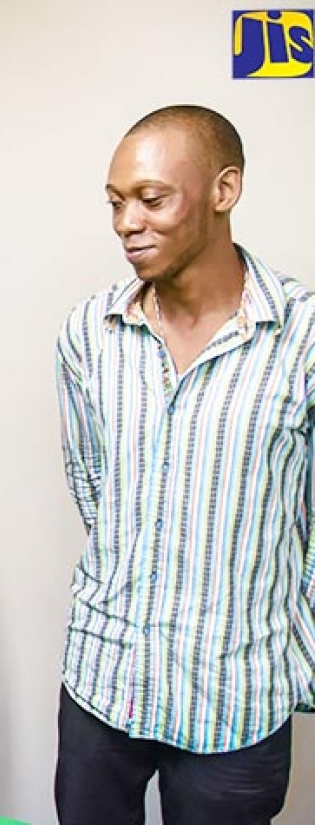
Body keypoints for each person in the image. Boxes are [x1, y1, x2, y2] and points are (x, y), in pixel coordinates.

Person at [54, 104, 312, 824]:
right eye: (115, 202)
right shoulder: (89, 333)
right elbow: (93, 483)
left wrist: (296, 654)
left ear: (224, 190)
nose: (126, 222)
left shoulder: (302, 341)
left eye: (151, 198)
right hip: (101, 686)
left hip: (234, 707)